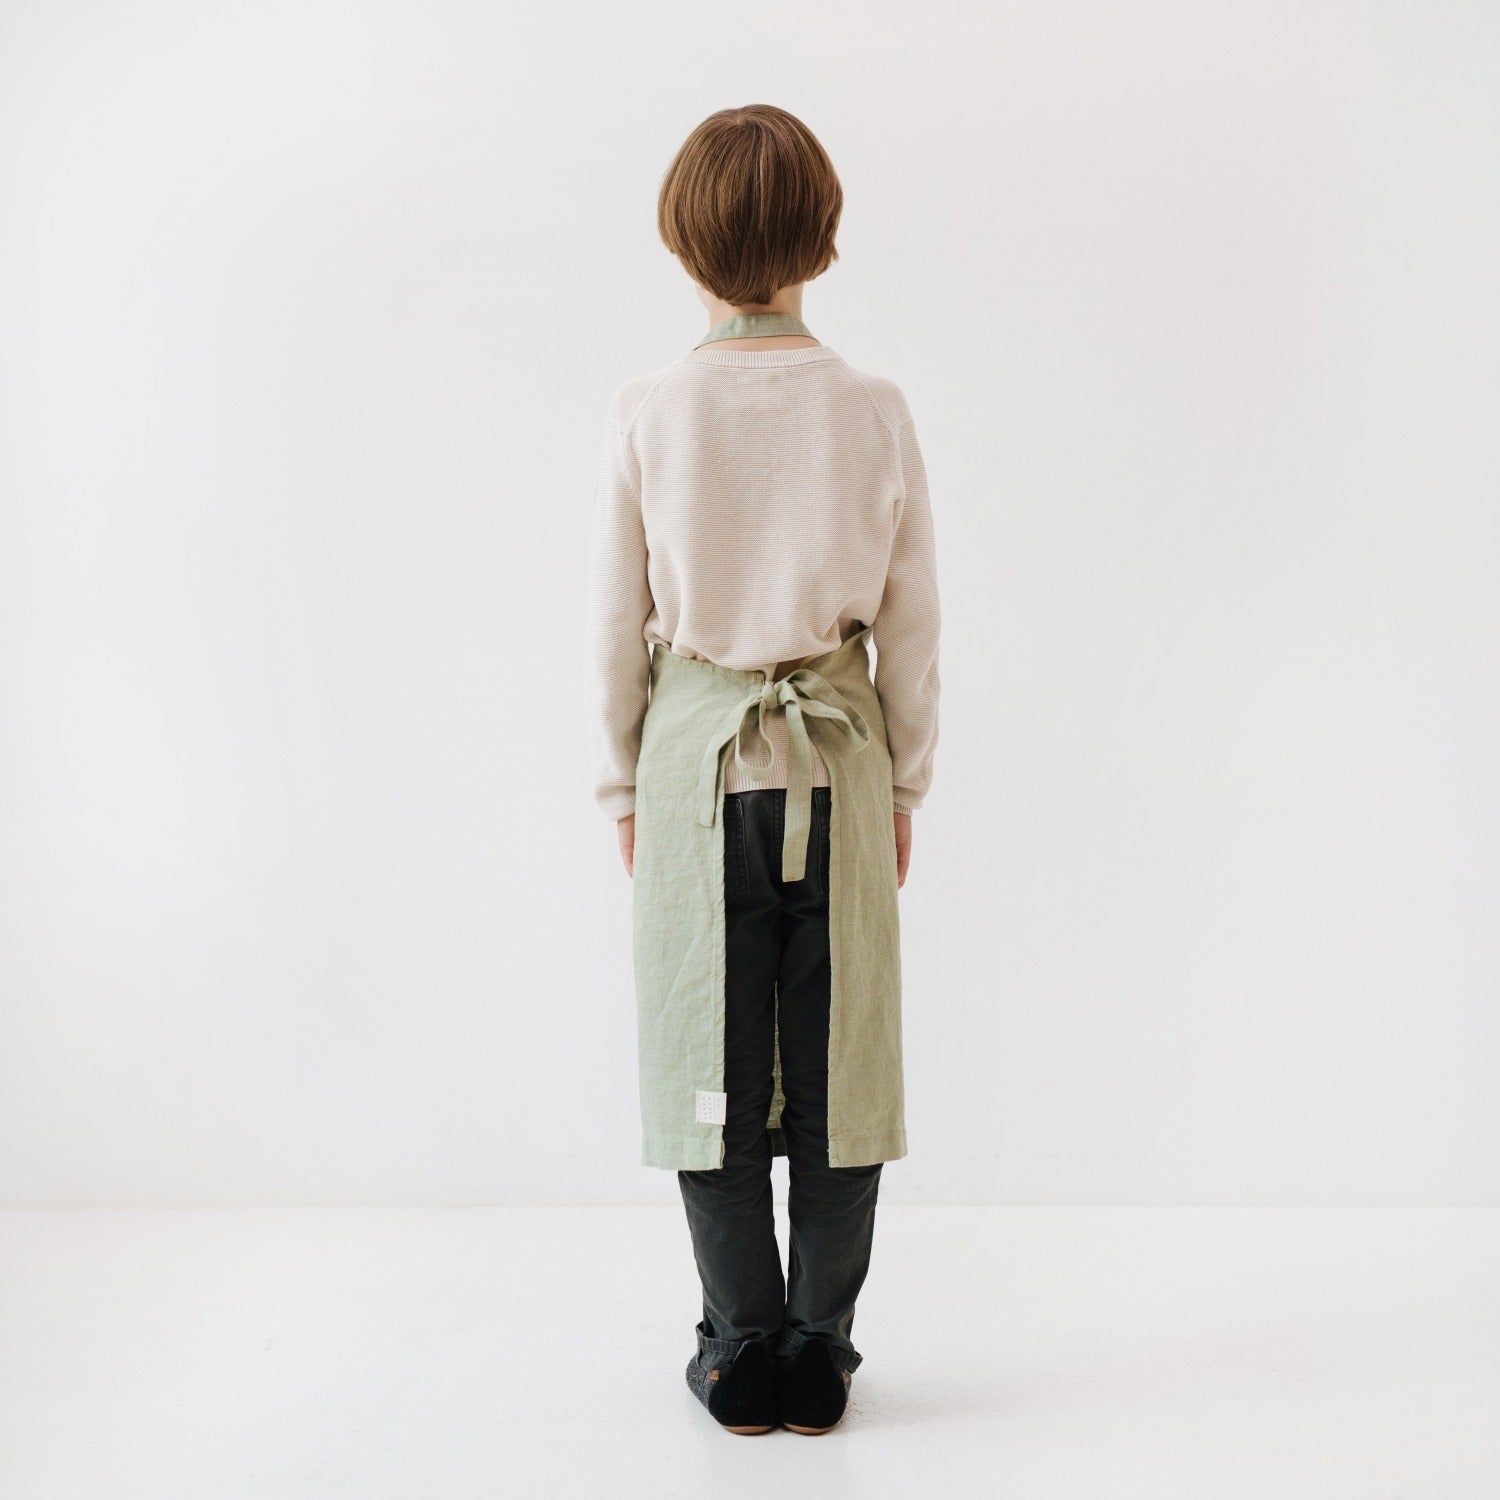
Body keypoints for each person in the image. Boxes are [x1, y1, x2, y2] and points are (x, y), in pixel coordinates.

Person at [584, 103, 941, 1436]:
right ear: (823, 236)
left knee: (707, 1067)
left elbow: (613, 621)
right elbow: (912, 619)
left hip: (698, 780)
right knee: (839, 1067)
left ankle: (740, 1351)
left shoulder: (649, 411)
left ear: (685, 243)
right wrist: (902, 787)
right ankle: (820, 1351)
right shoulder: (872, 408)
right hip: (835, 775)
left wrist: (625, 791)